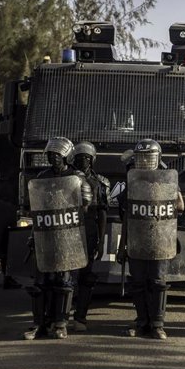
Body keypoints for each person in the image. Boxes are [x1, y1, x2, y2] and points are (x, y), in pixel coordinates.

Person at [24, 137, 92, 340]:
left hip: (68, 236)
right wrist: (32, 235)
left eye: (57, 154)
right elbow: (35, 208)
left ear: (66, 156)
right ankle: (39, 323)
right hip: (45, 234)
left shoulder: (77, 178)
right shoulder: (42, 177)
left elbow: (85, 207)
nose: (53, 158)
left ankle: (61, 322)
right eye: (50, 154)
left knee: (64, 282)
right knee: (41, 281)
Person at [119, 139, 184, 340]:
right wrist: (122, 246)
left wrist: (168, 190)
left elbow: (180, 206)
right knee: (138, 283)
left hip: (160, 240)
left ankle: (157, 324)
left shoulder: (166, 181)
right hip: (137, 240)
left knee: (157, 282)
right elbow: (127, 218)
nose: (146, 161)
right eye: (142, 157)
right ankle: (141, 323)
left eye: (149, 157)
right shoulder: (133, 183)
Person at [70, 142, 109, 332]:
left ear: (92, 160)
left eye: (86, 158)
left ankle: (80, 317)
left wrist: (101, 241)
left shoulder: (99, 183)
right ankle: (60, 316)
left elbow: (102, 213)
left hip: (90, 231)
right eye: (78, 158)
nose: (82, 161)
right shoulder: (65, 178)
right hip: (68, 231)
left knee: (86, 276)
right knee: (66, 276)